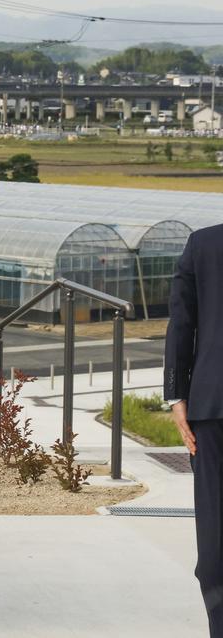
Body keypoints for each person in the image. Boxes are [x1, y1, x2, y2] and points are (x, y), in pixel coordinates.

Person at [165, 223, 223, 637]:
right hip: (210, 409)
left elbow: (181, 322)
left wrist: (177, 395)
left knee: (215, 529)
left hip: (212, 404)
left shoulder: (204, 243)